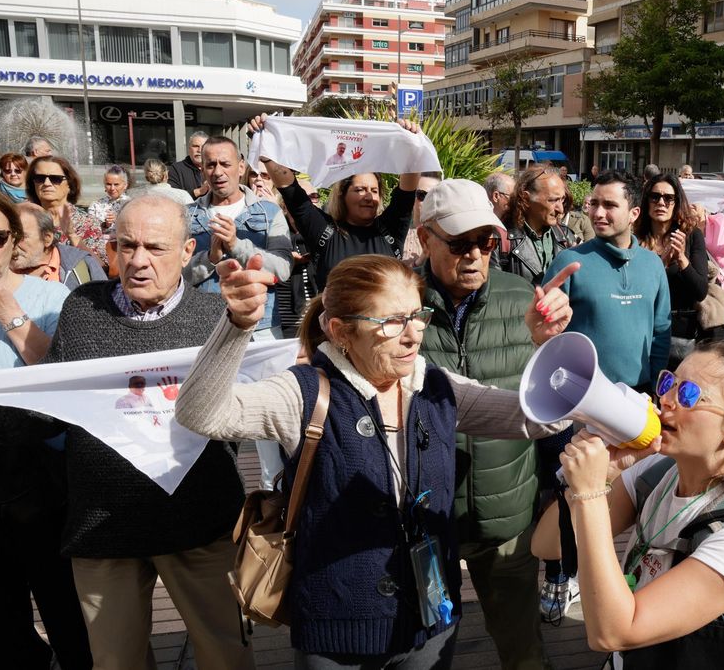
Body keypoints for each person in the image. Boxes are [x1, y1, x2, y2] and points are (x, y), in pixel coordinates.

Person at [174, 250, 570, 668]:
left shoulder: (434, 385)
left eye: (417, 315)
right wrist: (236, 327)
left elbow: (542, 420)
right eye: (391, 322)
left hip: (430, 619)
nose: (413, 335)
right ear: (341, 331)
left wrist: (550, 346)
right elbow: (202, 414)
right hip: (336, 630)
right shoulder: (305, 394)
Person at [0, 195, 255, 668]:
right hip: (102, 528)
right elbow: (59, 407)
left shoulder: (214, 318)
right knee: (113, 661)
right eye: (126, 246)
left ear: (188, 250)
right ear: (110, 248)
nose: (139, 261)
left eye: (155, 247)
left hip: (199, 525)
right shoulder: (83, 309)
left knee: (225, 654)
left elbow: (240, 414)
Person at [530, 341, 724, 667]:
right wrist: (601, 476)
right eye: (668, 383)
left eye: (689, 394)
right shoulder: (656, 471)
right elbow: (548, 544)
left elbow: (612, 633)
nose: (665, 400)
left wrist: (591, 493)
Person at [415, 178, 576, 668]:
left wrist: (549, 345)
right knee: (425, 648)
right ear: (425, 238)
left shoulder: (524, 299)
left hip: (507, 516)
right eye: (459, 243)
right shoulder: (397, 300)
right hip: (423, 518)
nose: (474, 256)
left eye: (485, 242)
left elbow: (558, 404)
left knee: (523, 650)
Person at [0, 189, 92, 670]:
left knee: (65, 607)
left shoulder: (50, 296)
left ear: (13, 243)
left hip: (42, 473)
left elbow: (63, 373)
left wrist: (5, 308)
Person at [249, 113, 422, 291]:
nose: (369, 197)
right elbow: (291, 192)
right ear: (342, 195)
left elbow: (406, 191)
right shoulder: (324, 231)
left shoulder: (390, 229)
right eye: (360, 189)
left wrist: (412, 141)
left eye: (374, 191)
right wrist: (266, 148)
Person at [542, 170, 670, 393]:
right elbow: (547, 334)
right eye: (594, 203)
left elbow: (661, 332)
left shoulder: (653, 265)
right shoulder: (569, 262)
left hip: (640, 395)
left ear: (634, 213)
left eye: (609, 205)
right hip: (582, 395)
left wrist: (656, 387)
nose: (598, 213)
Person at [183, 136, 292, 338]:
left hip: (260, 328)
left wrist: (236, 245)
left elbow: (283, 269)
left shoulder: (269, 212)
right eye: (210, 165)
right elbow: (175, 278)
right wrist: (210, 258)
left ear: (241, 167)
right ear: (202, 170)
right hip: (203, 328)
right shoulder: (186, 215)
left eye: (225, 164)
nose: (217, 172)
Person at [636, 172, 708, 364]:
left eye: (668, 198)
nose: (661, 203)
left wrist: (682, 259)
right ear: (646, 201)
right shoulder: (633, 239)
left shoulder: (691, 236)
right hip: (639, 328)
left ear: (677, 203)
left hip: (678, 332)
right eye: (655, 196)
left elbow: (700, 291)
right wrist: (662, 264)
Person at [499, 164, 579, 286]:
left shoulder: (566, 237)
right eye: (553, 200)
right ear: (525, 198)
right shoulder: (501, 239)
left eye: (562, 199)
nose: (561, 209)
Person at [25, 155, 104, 268]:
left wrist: (72, 235)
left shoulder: (87, 223)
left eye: (55, 179)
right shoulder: (24, 220)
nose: (47, 183)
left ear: (69, 185)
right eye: (40, 178)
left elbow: (100, 267)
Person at [12, 202, 106, 290]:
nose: (12, 244)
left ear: (47, 238)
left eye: (20, 237)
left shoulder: (82, 266)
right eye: (7, 236)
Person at [401, 172, 443, 268]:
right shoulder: (397, 231)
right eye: (422, 195)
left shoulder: (446, 235)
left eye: (433, 196)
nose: (428, 201)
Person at [88, 164, 132, 239]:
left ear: (125, 185)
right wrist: (105, 225)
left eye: (116, 184)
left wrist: (119, 220)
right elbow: (89, 231)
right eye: (108, 184)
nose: (112, 188)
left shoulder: (132, 205)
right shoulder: (95, 205)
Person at [128, 158, 197, 205]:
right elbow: (192, 217)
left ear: (146, 178)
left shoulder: (134, 196)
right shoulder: (182, 196)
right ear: (166, 175)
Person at [168, 131, 209, 200]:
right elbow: (172, 197)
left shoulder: (216, 168)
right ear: (189, 149)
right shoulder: (176, 169)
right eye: (195, 146)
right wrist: (199, 191)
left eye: (203, 147)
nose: (199, 150)